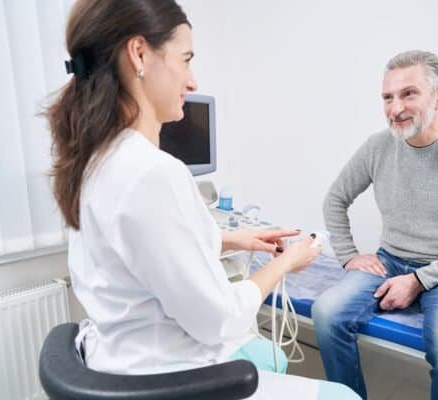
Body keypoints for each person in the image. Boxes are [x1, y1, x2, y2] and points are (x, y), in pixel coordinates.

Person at [45, 0, 360, 398]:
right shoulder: (154, 173)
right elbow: (222, 321)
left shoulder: (94, 163)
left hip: (116, 360)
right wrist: (285, 263)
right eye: (186, 59)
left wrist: (233, 239)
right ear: (139, 53)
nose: (192, 82)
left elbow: (140, 249)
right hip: (167, 380)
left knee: (266, 356)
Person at [312, 50, 438, 399]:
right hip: (390, 261)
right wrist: (347, 256)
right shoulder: (378, 146)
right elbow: (335, 199)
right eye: (388, 97)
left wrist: (419, 280)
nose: (395, 108)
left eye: (409, 94)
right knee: (326, 312)